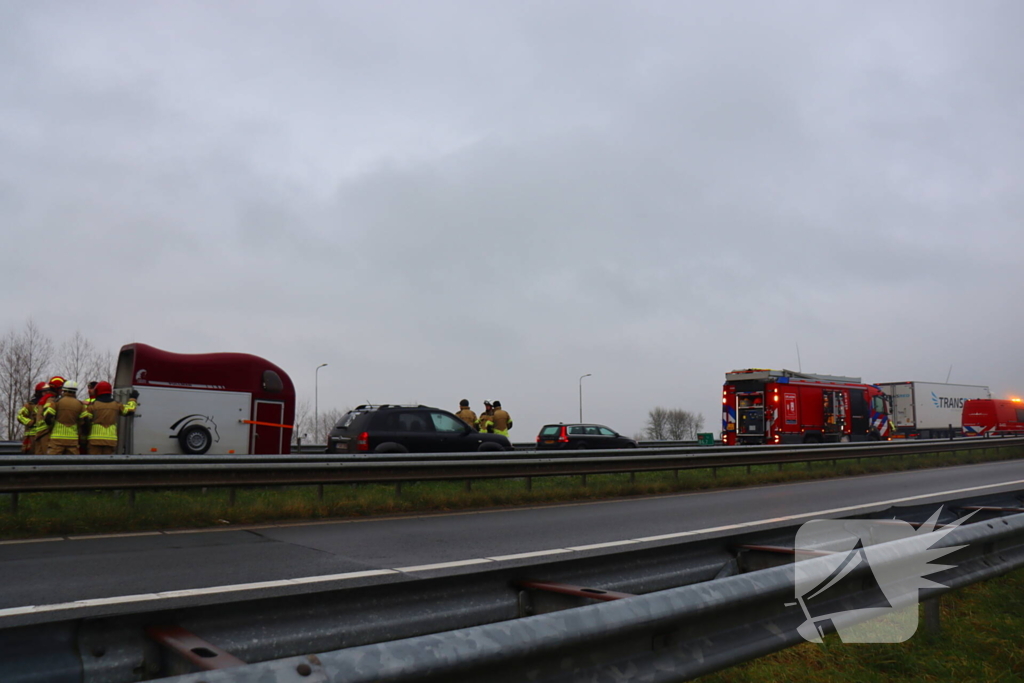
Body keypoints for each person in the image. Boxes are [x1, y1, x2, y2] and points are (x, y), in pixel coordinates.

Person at [83, 381, 139, 455]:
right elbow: (130, 410)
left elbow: (85, 419)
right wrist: (133, 398)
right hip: (110, 441)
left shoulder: (93, 406)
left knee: (94, 463)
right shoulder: (116, 405)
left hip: (95, 440)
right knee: (106, 464)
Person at [44, 380, 87, 455]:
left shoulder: (57, 402)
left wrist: (51, 426)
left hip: (56, 440)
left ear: (64, 390)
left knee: (52, 464)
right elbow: (86, 421)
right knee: (71, 464)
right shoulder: (80, 404)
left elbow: (48, 417)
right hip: (72, 440)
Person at [34, 376, 65, 454]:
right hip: (46, 433)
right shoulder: (51, 399)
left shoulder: (44, 398)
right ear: (56, 388)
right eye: (61, 388)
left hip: (40, 432)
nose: (62, 390)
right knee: (47, 460)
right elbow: (47, 415)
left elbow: (36, 411)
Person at [17, 382, 45, 453]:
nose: (46, 394)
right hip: (31, 436)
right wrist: (30, 422)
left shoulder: (48, 404)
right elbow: (20, 416)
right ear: (39, 393)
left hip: (43, 436)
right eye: (44, 392)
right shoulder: (30, 405)